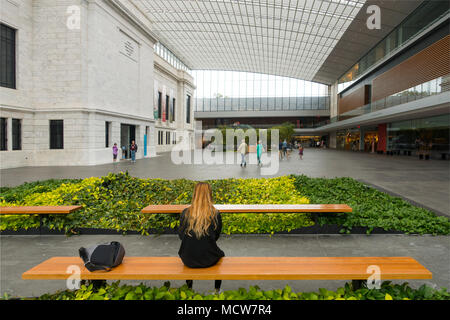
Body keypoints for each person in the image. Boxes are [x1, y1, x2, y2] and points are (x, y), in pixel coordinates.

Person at [178, 182, 224, 292]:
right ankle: (217, 290)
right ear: (209, 194)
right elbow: (215, 237)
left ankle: (189, 289)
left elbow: (181, 236)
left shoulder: (185, 213)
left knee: (190, 248)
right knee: (221, 254)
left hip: (188, 259)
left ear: (194, 194)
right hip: (209, 259)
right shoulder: (215, 214)